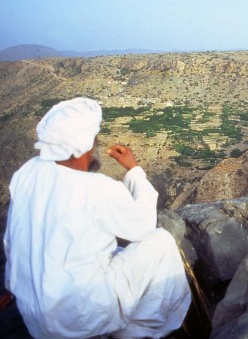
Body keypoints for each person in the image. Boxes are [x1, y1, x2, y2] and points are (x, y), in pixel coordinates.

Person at [3, 97, 191, 338]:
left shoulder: (26, 173)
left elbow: (12, 239)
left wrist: (12, 286)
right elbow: (142, 226)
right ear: (84, 145)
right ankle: (136, 333)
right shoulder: (95, 188)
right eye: (94, 139)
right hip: (78, 317)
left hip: (35, 317)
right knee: (161, 242)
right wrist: (134, 170)